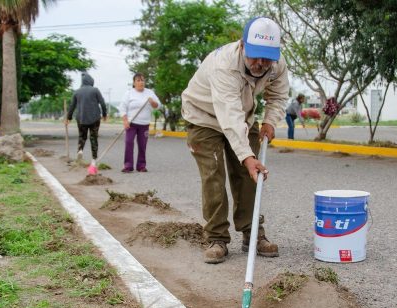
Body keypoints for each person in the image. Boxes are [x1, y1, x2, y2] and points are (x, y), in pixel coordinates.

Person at [181, 16, 289, 264]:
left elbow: (279, 94)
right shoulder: (225, 65)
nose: (261, 63)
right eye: (255, 56)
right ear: (242, 45)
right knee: (214, 175)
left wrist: (270, 120)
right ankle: (217, 238)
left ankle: (253, 234)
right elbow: (228, 115)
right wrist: (247, 157)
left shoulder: (277, 63)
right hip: (204, 117)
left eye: (267, 57)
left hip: (242, 116)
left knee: (249, 176)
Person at [120, 73, 161, 172]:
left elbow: (158, 105)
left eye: (142, 80)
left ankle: (141, 166)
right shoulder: (129, 93)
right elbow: (122, 107)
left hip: (144, 124)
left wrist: (152, 102)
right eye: (138, 80)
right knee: (129, 143)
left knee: (142, 145)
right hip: (131, 123)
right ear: (134, 83)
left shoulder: (149, 93)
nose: (141, 82)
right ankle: (128, 165)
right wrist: (125, 120)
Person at [65, 73, 107, 161]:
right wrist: (104, 115)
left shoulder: (77, 92)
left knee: (82, 136)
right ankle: (94, 158)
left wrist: (68, 118)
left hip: (81, 118)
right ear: (91, 81)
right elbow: (102, 103)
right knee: (93, 138)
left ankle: (80, 150)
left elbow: (72, 106)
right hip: (94, 118)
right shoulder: (95, 90)